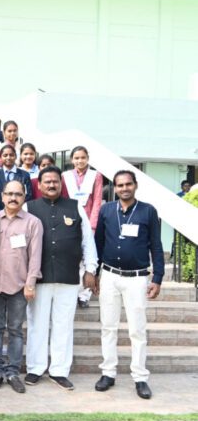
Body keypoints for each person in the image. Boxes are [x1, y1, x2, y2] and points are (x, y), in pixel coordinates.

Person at [25, 166, 98, 391]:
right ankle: (35, 368)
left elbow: (87, 240)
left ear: (60, 183)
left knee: (63, 325)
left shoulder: (75, 207)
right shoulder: (30, 207)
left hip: (68, 276)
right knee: (37, 324)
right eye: (47, 181)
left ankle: (59, 370)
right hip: (39, 277)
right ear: (39, 184)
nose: (51, 185)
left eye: (55, 181)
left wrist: (90, 269)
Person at [93, 170, 164, 400]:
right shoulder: (106, 210)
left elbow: (156, 245)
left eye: (128, 184)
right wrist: (94, 274)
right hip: (110, 276)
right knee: (108, 326)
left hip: (137, 278)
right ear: (114, 188)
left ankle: (140, 377)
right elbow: (98, 243)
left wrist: (158, 277)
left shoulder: (148, 211)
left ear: (135, 185)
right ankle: (108, 372)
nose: (124, 188)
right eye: (120, 185)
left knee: (137, 330)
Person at [0, 180, 43, 394]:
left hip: (19, 286)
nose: (13, 198)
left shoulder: (33, 223)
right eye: (9, 194)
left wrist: (30, 283)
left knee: (16, 330)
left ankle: (12, 372)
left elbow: (35, 256)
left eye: (17, 194)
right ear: (2, 196)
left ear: (24, 196)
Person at [62, 146, 103, 309]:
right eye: (76, 158)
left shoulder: (96, 176)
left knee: (88, 257)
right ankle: (73, 291)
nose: (80, 161)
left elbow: (98, 200)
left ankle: (85, 294)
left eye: (83, 157)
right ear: (72, 160)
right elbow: (64, 198)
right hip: (70, 221)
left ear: (88, 158)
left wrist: (92, 225)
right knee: (73, 256)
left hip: (89, 220)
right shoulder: (65, 176)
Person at [0, 145, 33, 210]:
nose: (8, 157)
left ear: (16, 156)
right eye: (5, 155)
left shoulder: (25, 175)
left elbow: (28, 196)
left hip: (19, 211)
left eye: (11, 155)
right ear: (0, 157)